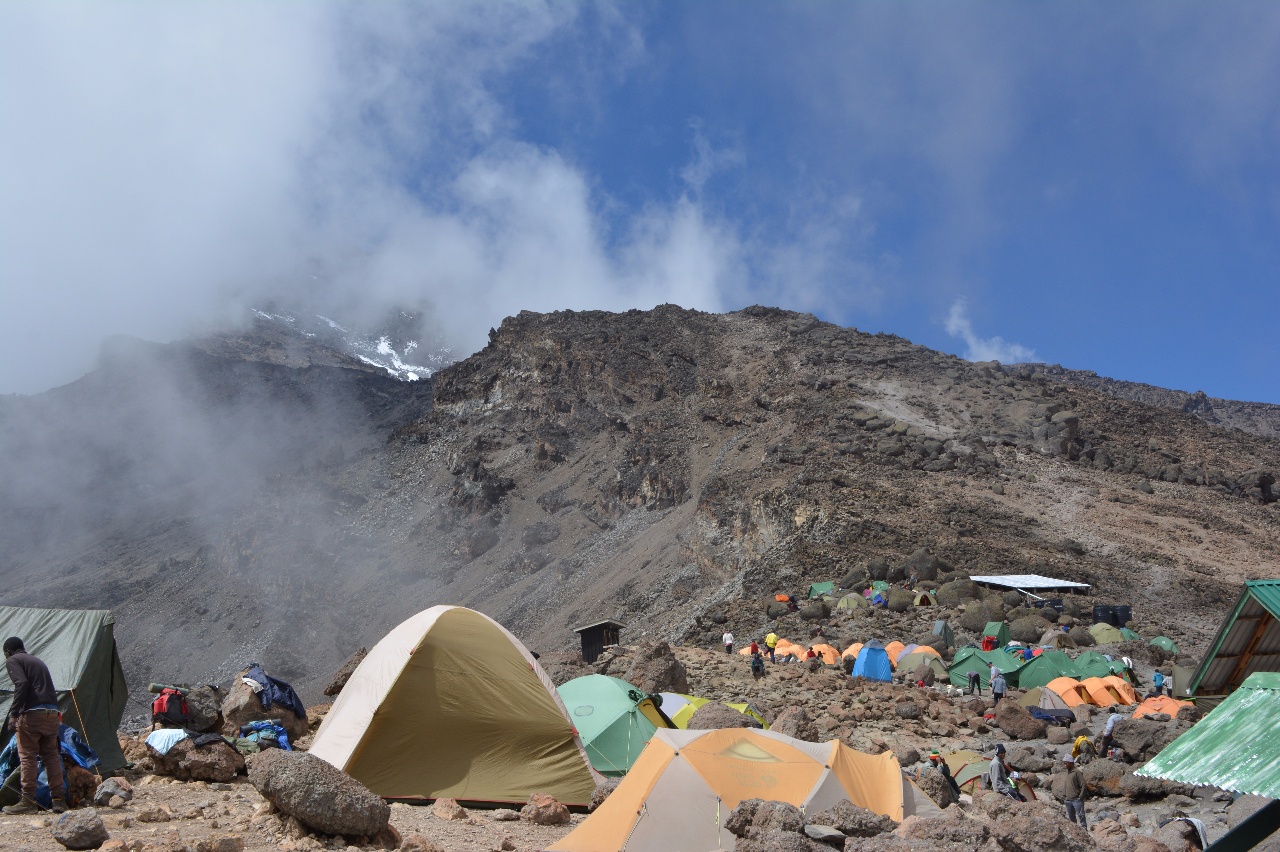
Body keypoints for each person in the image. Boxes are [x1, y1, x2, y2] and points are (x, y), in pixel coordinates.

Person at [2, 637, 67, 815]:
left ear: (8, 652)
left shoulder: (13, 660)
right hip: (52, 713)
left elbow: (21, 684)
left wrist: (14, 714)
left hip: (32, 714)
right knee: (51, 755)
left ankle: (28, 801)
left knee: (28, 757)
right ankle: (59, 801)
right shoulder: (37, 661)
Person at [1054, 754, 1087, 827]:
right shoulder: (1067, 772)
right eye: (1064, 763)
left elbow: (1083, 784)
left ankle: (1085, 831)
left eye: (1066, 763)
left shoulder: (1076, 772)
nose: (1064, 765)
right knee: (1071, 819)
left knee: (1081, 816)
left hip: (1076, 799)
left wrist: (1080, 797)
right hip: (1068, 800)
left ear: (1071, 763)